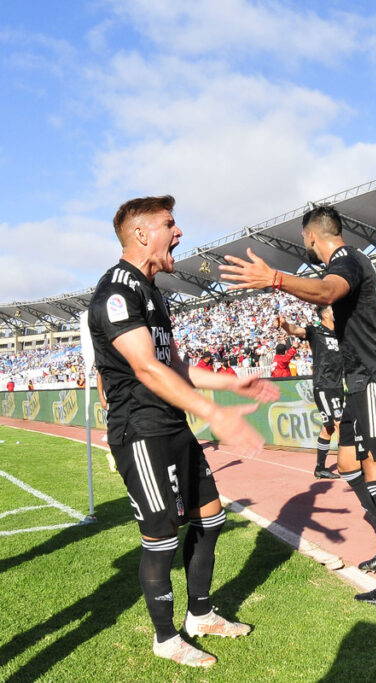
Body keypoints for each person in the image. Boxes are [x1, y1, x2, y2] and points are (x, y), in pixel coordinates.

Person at [88, 195, 279, 667]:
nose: (179, 234)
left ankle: (201, 614)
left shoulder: (152, 291)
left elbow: (175, 365)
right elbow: (148, 370)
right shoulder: (115, 292)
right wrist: (214, 415)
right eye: (170, 225)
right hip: (141, 431)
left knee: (210, 518)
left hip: (172, 426)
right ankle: (165, 637)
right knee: (161, 535)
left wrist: (232, 383)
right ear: (140, 234)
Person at [221, 204, 376, 605]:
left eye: (302, 240)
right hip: (359, 383)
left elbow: (328, 291)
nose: (303, 246)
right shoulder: (348, 263)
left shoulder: (345, 260)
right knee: (347, 466)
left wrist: (275, 278)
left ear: (312, 235)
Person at [277, 307, 346, 479]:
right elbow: (296, 330)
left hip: (337, 385)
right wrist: (285, 325)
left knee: (329, 427)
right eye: (332, 309)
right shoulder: (315, 331)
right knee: (339, 424)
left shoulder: (339, 331)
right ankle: (348, 465)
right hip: (323, 385)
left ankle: (320, 468)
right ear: (325, 314)